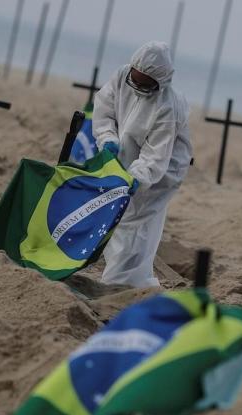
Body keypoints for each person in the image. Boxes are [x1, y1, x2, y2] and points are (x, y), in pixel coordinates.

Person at [92, 41, 193, 288]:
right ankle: (132, 281)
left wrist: (138, 177)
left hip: (162, 169)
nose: (138, 87)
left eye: (146, 84)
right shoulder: (121, 76)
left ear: (159, 82)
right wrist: (107, 139)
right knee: (118, 217)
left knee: (136, 222)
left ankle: (122, 283)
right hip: (125, 157)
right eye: (135, 80)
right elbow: (104, 110)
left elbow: (155, 155)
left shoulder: (166, 106)